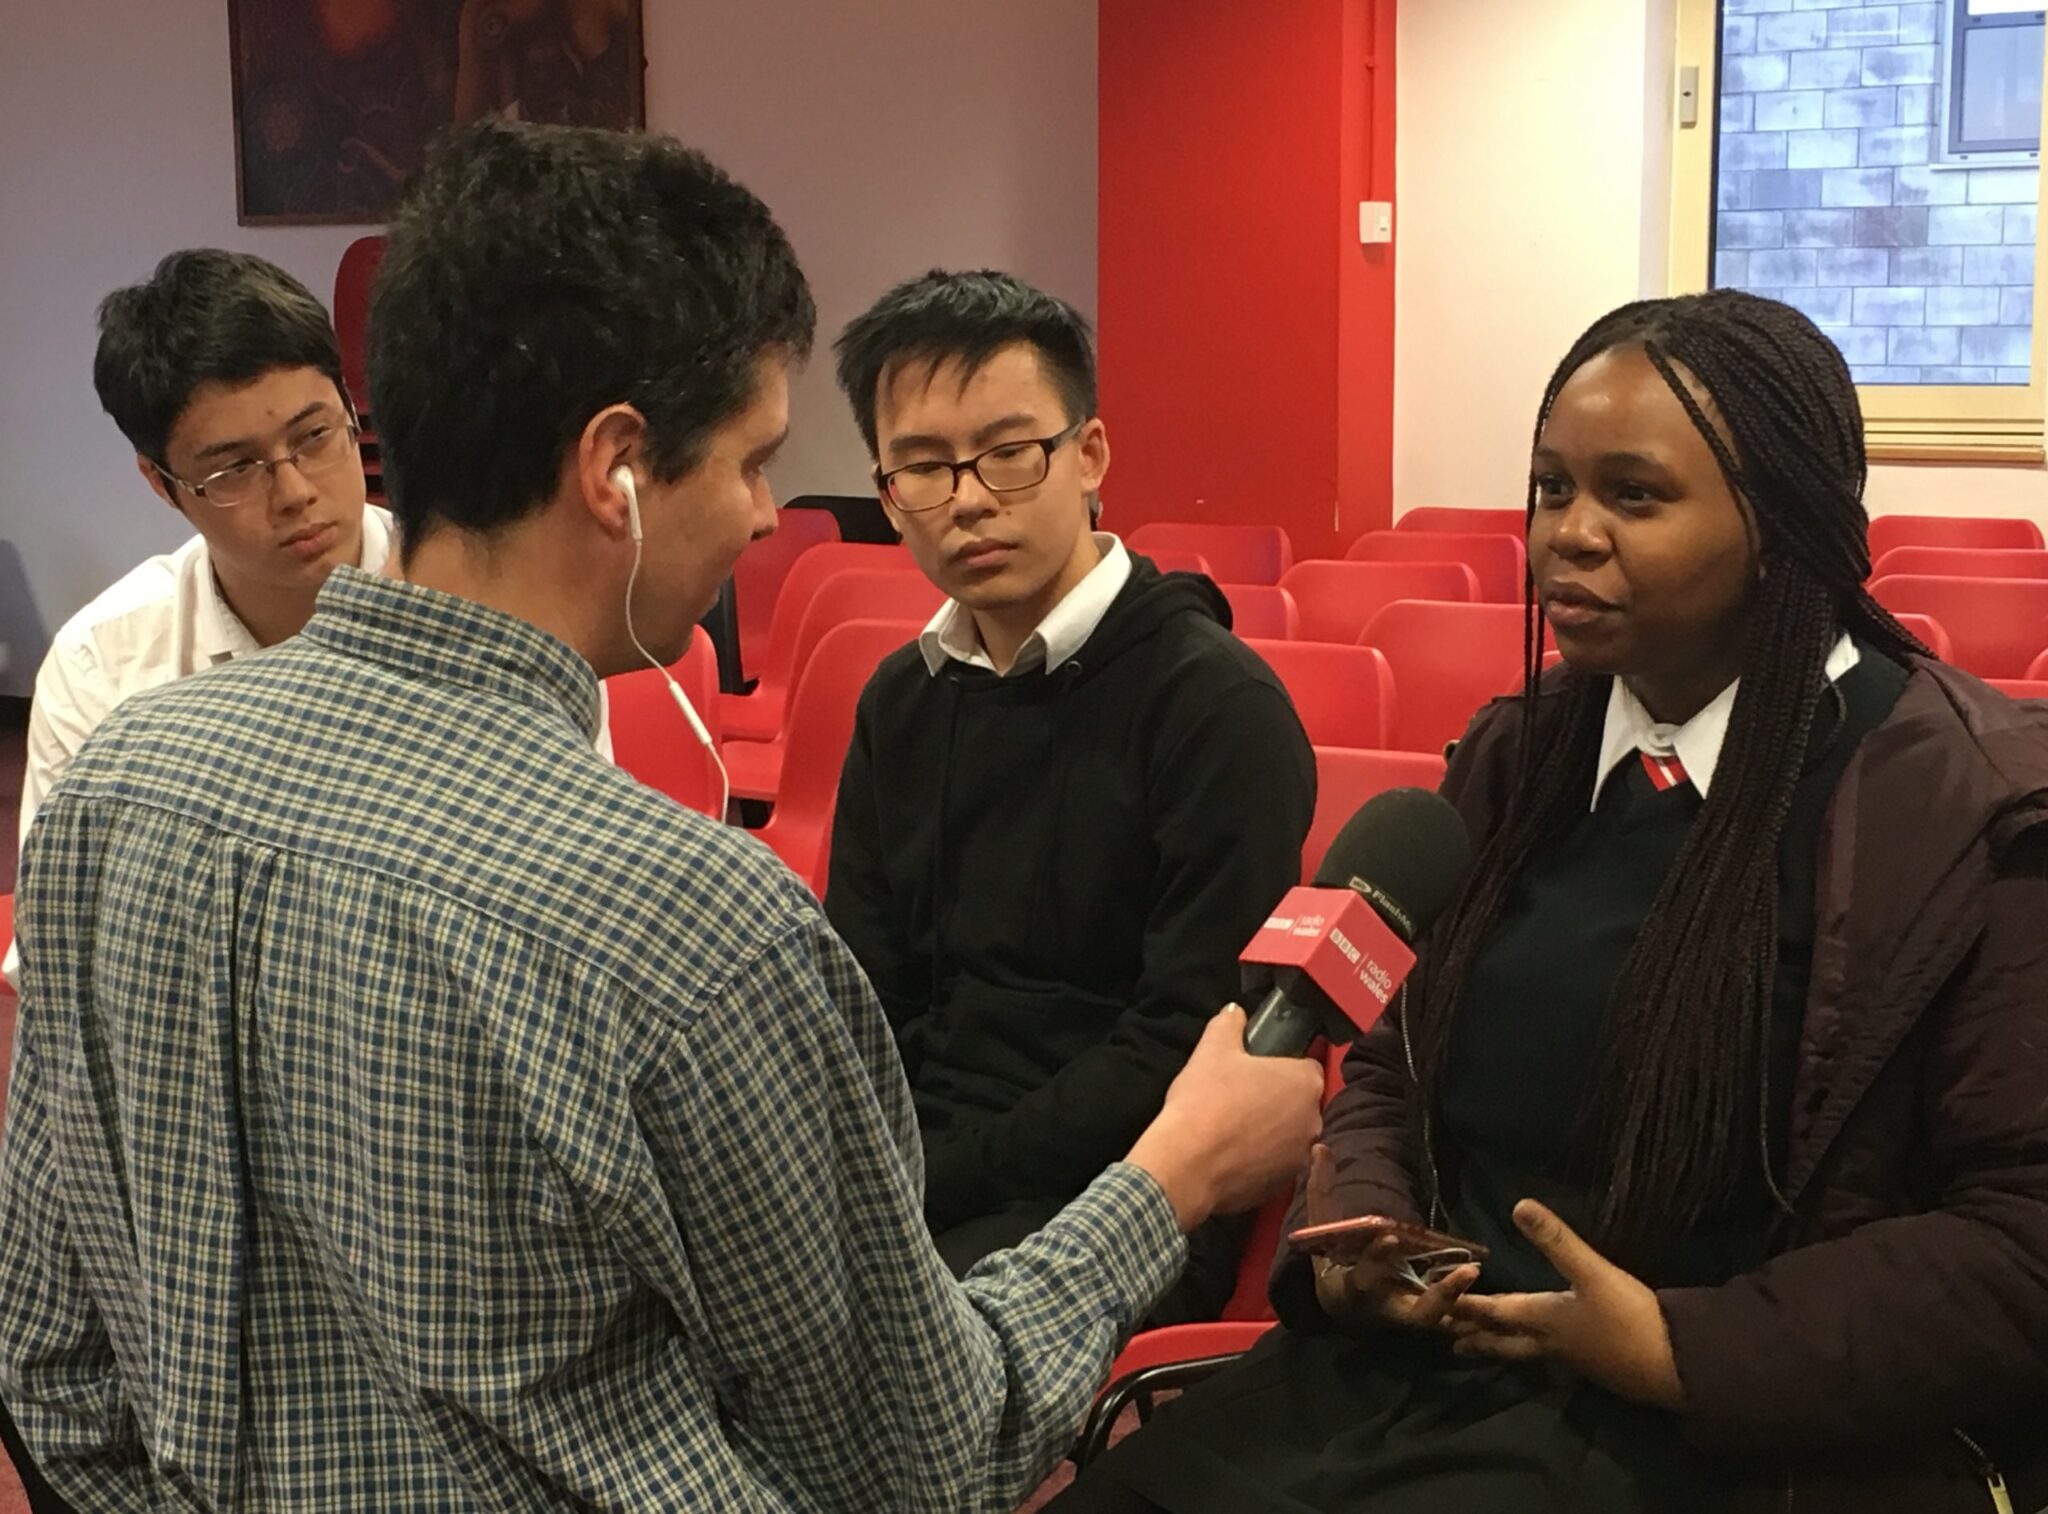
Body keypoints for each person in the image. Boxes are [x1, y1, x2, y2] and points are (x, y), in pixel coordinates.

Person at [0, 121, 1325, 1511]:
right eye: (754, 459)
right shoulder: (686, 925)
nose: (766, 516)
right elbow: (922, 1457)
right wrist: (1174, 1176)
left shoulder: (115, 785)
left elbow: (51, 1361)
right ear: (616, 467)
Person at [1052, 290, 2048, 1513]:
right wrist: (1363, 1228)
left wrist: (1685, 1346)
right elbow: (1385, 1069)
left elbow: (2019, 1237)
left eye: (1631, 495)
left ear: (1784, 526)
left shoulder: (1969, 814)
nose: (1565, 534)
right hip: (1410, 1376)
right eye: (1550, 487)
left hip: (1726, 1429)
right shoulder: (1511, 764)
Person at [825, 269, 1317, 1320]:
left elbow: (1177, 1042)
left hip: (1128, 1191)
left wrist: (916, 1186)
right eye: (921, 466)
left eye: (1006, 454)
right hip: (919, 1178)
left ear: (1086, 455)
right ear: (885, 494)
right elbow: (865, 999)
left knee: (851, 1366)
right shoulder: (900, 701)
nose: (964, 498)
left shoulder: (1214, 706)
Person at [2, 250, 391, 996]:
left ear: (347, 405)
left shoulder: (481, 606)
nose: (295, 491)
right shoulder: (104, 670)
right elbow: (61, 957)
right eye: (234, 469)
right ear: (161, 482)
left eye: (315, 436)